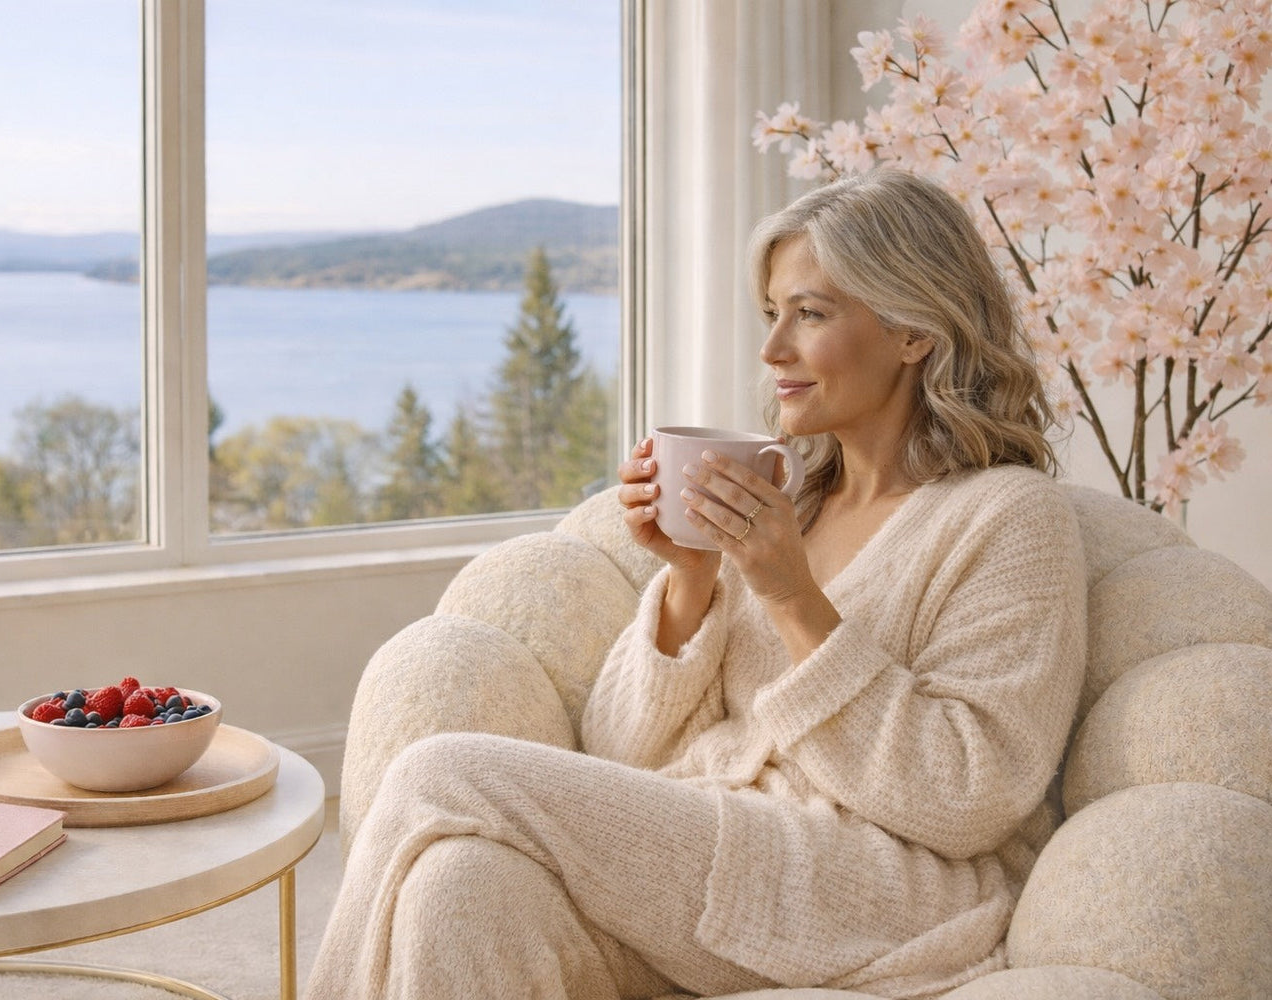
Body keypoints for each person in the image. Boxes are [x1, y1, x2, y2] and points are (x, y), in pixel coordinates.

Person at [306, 168, 1087, 999]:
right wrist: (692, 578)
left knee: (438, 772)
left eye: (811, 314)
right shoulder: (790, 499)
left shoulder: (1008, 518)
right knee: (457, 887)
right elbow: (620, 754)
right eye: (771, 314)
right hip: (717, 859)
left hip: (876, 893)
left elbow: (970, 795)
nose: (773, 350)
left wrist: (792, 599)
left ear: (915, 332)